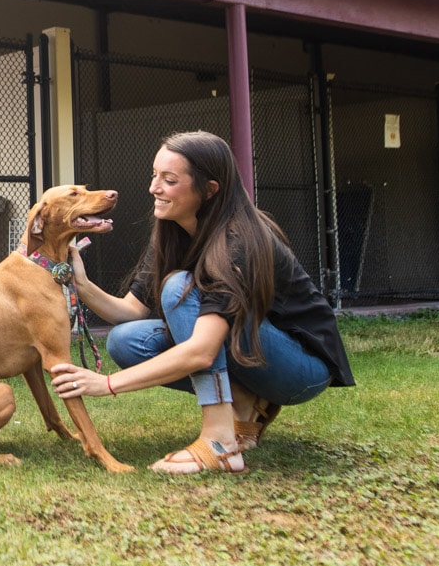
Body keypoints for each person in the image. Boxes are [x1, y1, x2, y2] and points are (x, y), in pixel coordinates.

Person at [50, 130, 353, 474]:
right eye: (154, 176)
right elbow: (132, 311)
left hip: (301, 368)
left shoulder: (239, 239)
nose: (154, 188)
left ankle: (219, 442)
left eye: (169, 180)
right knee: (125, 341)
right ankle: (245, 401)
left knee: (179, 287)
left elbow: (201, 351)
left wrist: (104, 384)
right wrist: (83, 284)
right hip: (253, 352)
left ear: (209, 190)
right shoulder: (173, 229)